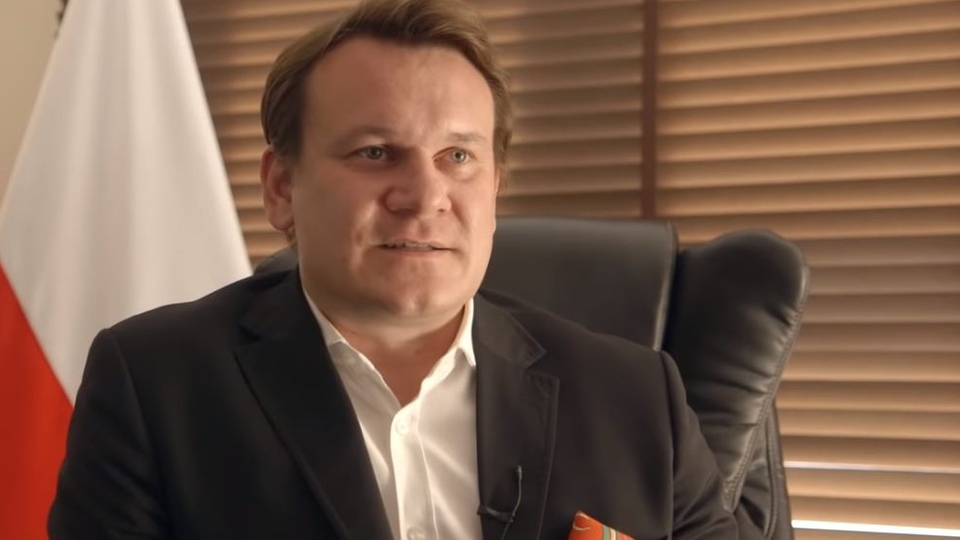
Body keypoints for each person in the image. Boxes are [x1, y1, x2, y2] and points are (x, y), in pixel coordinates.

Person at [49, 0, 741, 538]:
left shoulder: (635, 398)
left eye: (458, 157)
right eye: (376, 152)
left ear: (495, 187)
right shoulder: (155, 386)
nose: (424, 196)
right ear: (282, 186)